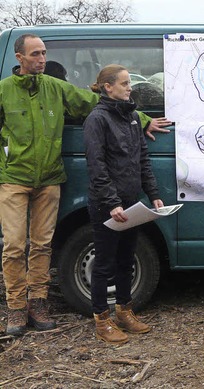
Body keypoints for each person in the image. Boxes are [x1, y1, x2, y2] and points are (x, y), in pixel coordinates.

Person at [0, 34, 170, 336]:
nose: (41, 59)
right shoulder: (3, 91)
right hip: (14, 178)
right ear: (19, 58)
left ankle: (37, 303)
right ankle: (15, 308)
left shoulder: (55, 88)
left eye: (44, 53)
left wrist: (143, 118)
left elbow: (100, 102)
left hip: (50, 178)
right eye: (35, 54)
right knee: (14, 245)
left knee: (41, 245)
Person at [83, 64, 164, 344]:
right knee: (104, 264)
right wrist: (112, 202)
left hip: (132, 203)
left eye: (129, 83)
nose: (130, 88)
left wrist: (152, 193)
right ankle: (101, 320)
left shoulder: (131, 117)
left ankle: (124, 312)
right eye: (125, 83)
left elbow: (142, 159)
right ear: (108, 87)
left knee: (127, 261)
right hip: (108, 205)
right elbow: (97, 165)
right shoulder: (97, 119)